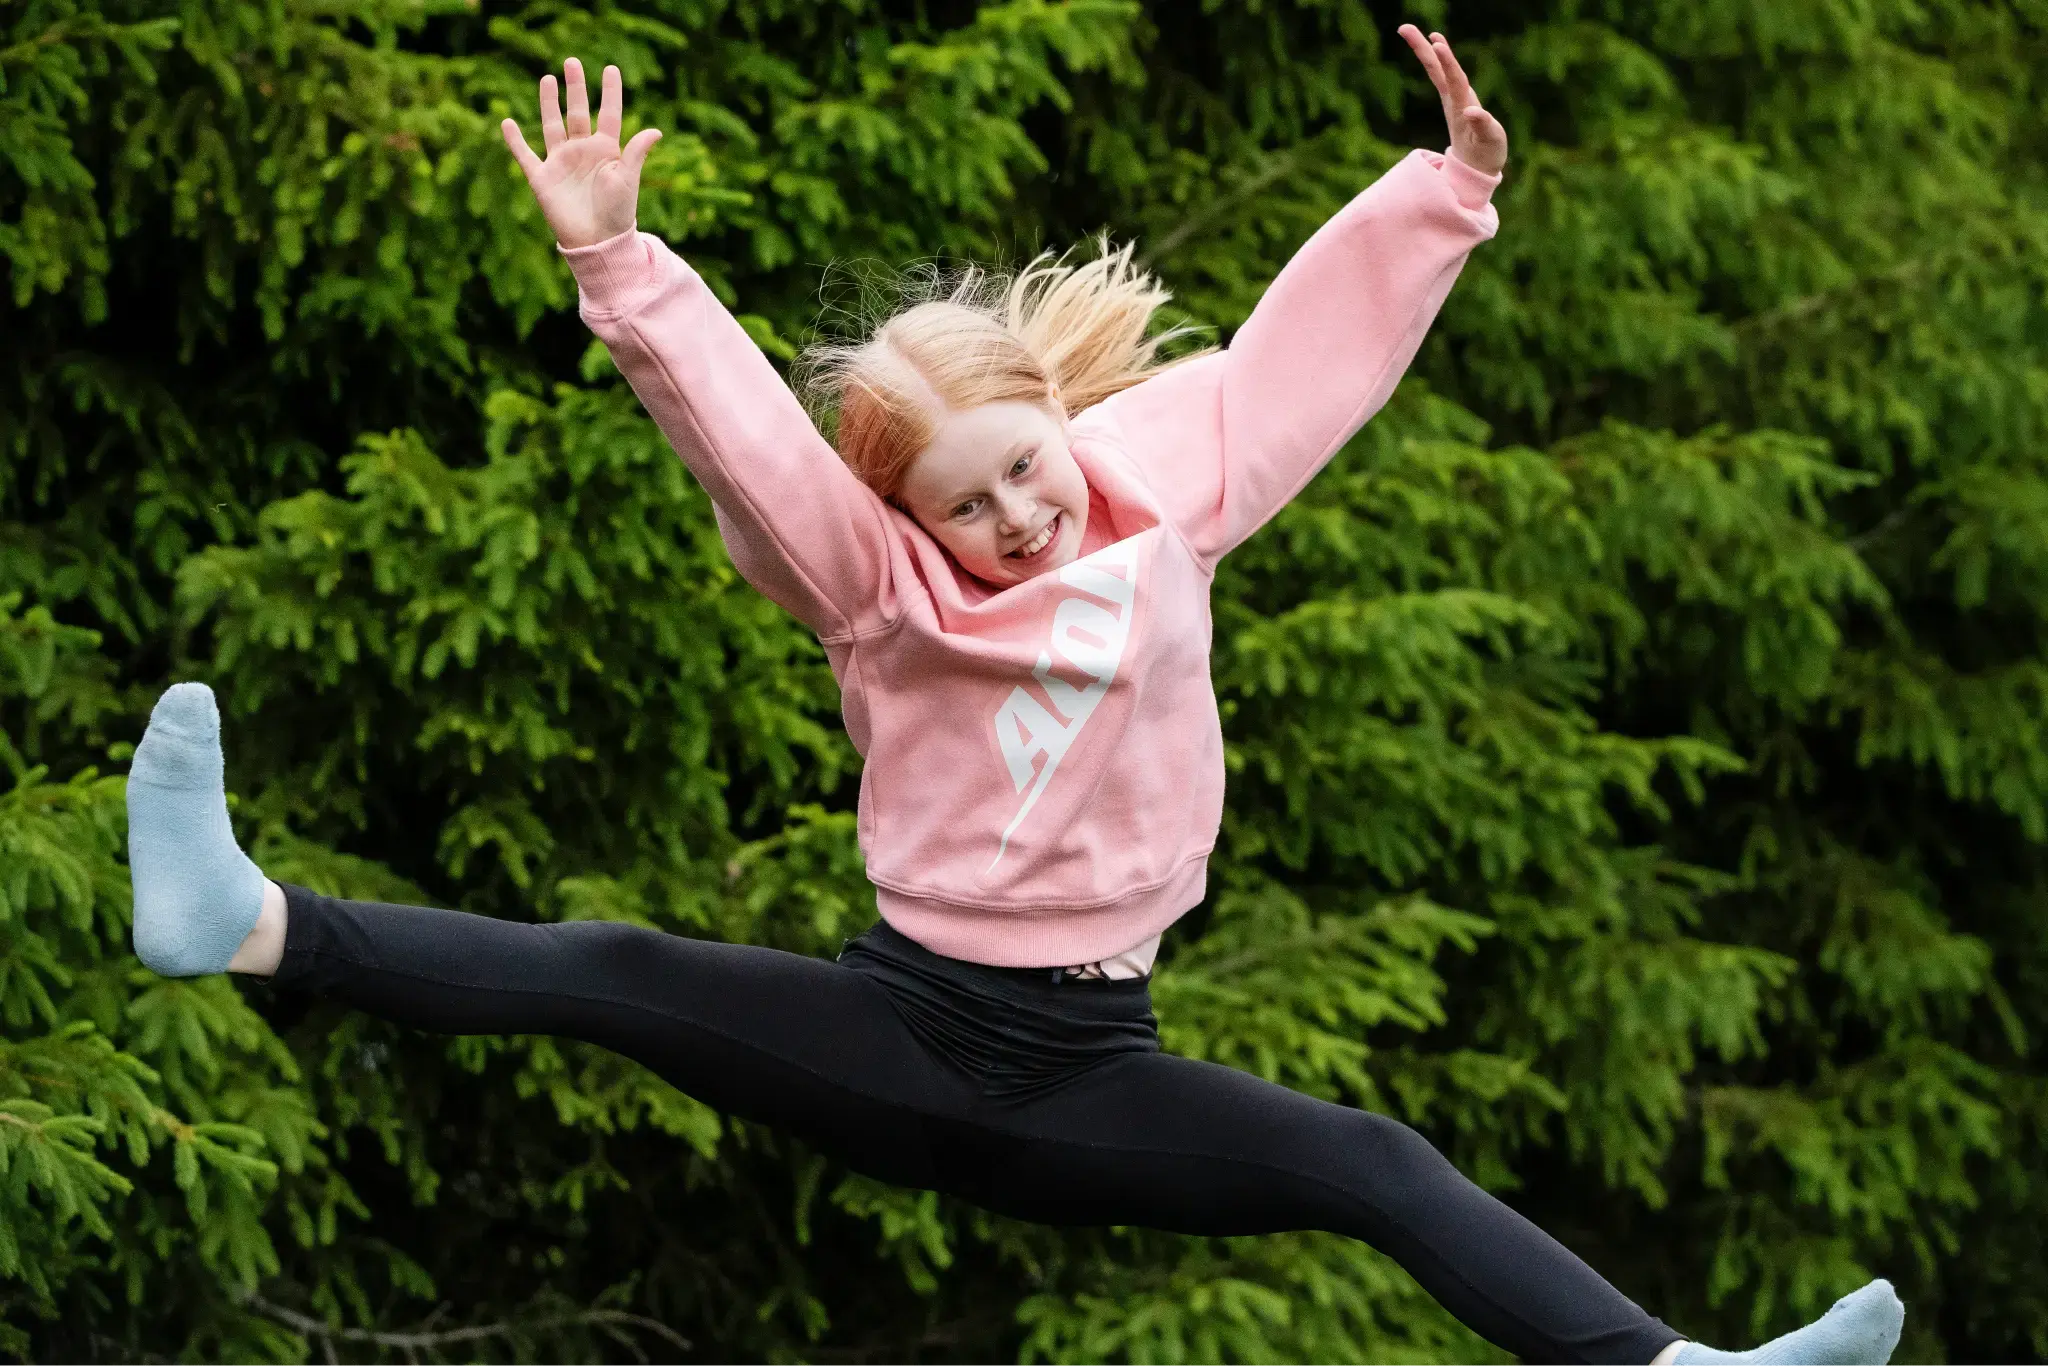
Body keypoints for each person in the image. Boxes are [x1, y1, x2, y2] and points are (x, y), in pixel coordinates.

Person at [123, 25, 1905, 1366]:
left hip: (1087, 1077)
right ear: (901, 516)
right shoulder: (874, 588)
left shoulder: (1162, 495)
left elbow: (1296, 363)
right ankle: (248, 922)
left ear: (1068, 423)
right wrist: (619, 265)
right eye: (957, 501)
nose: (1008, 517)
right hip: (899, 1034)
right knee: (613, 969)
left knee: (1370, 1159)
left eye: (1023, 471)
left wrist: (1444, 191)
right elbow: (751, 440)